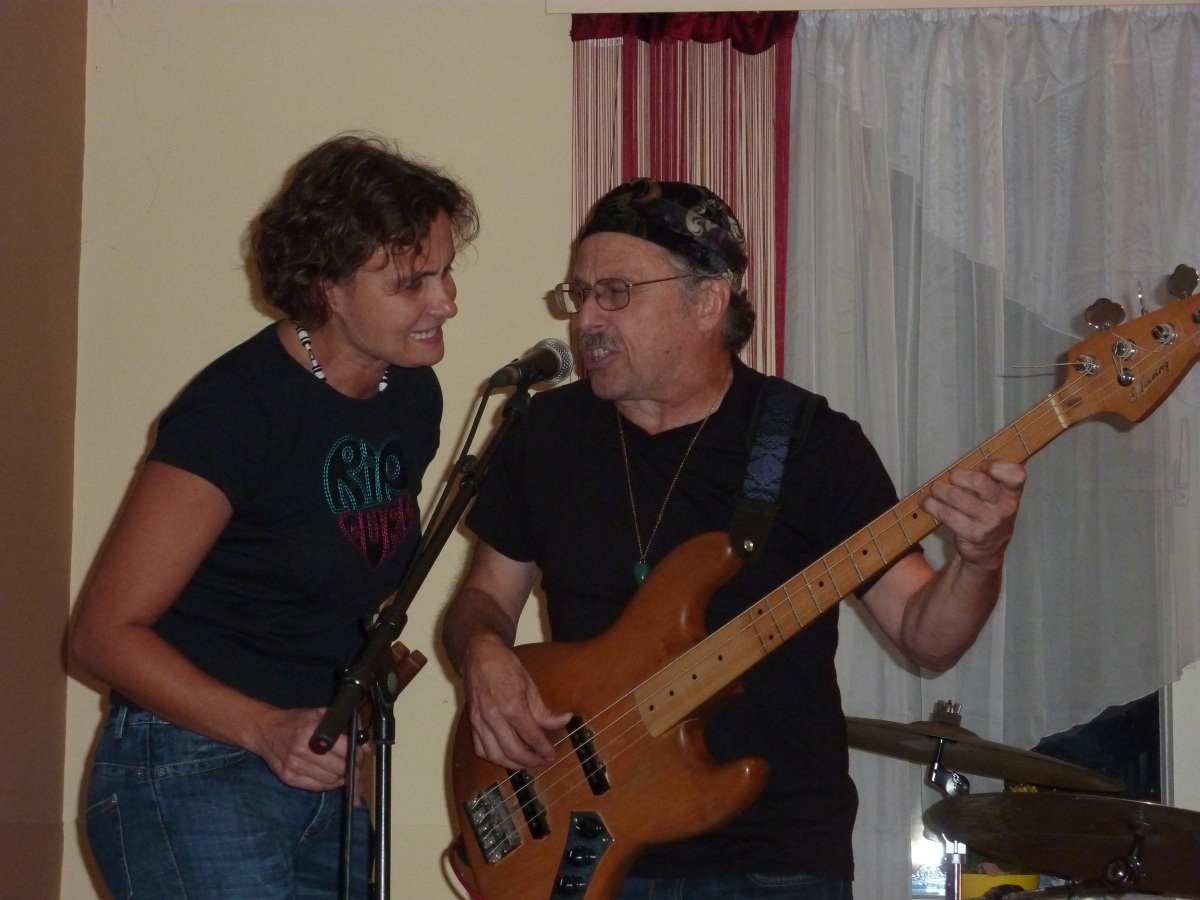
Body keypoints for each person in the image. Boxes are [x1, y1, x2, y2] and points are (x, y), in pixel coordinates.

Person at [441, 178, 1025, 899]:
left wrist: (980, 560)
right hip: (581, 850)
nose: (586, 319)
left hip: (774, 861)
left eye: (616, 293)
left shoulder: (811, 445)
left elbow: (924, 635)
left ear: (708, 301)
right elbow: (482, 600)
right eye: (580, 293)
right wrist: (484, 654)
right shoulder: (544, 435)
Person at [72, 134, 479, 899]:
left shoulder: (409, 395)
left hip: (319, 773)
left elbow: (328, 577)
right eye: (411, 283)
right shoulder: (236, 411)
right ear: (329, 288)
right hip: (192, 769)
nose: (446, 300)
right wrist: (263, 727)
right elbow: (101, 633)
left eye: (446, 270)